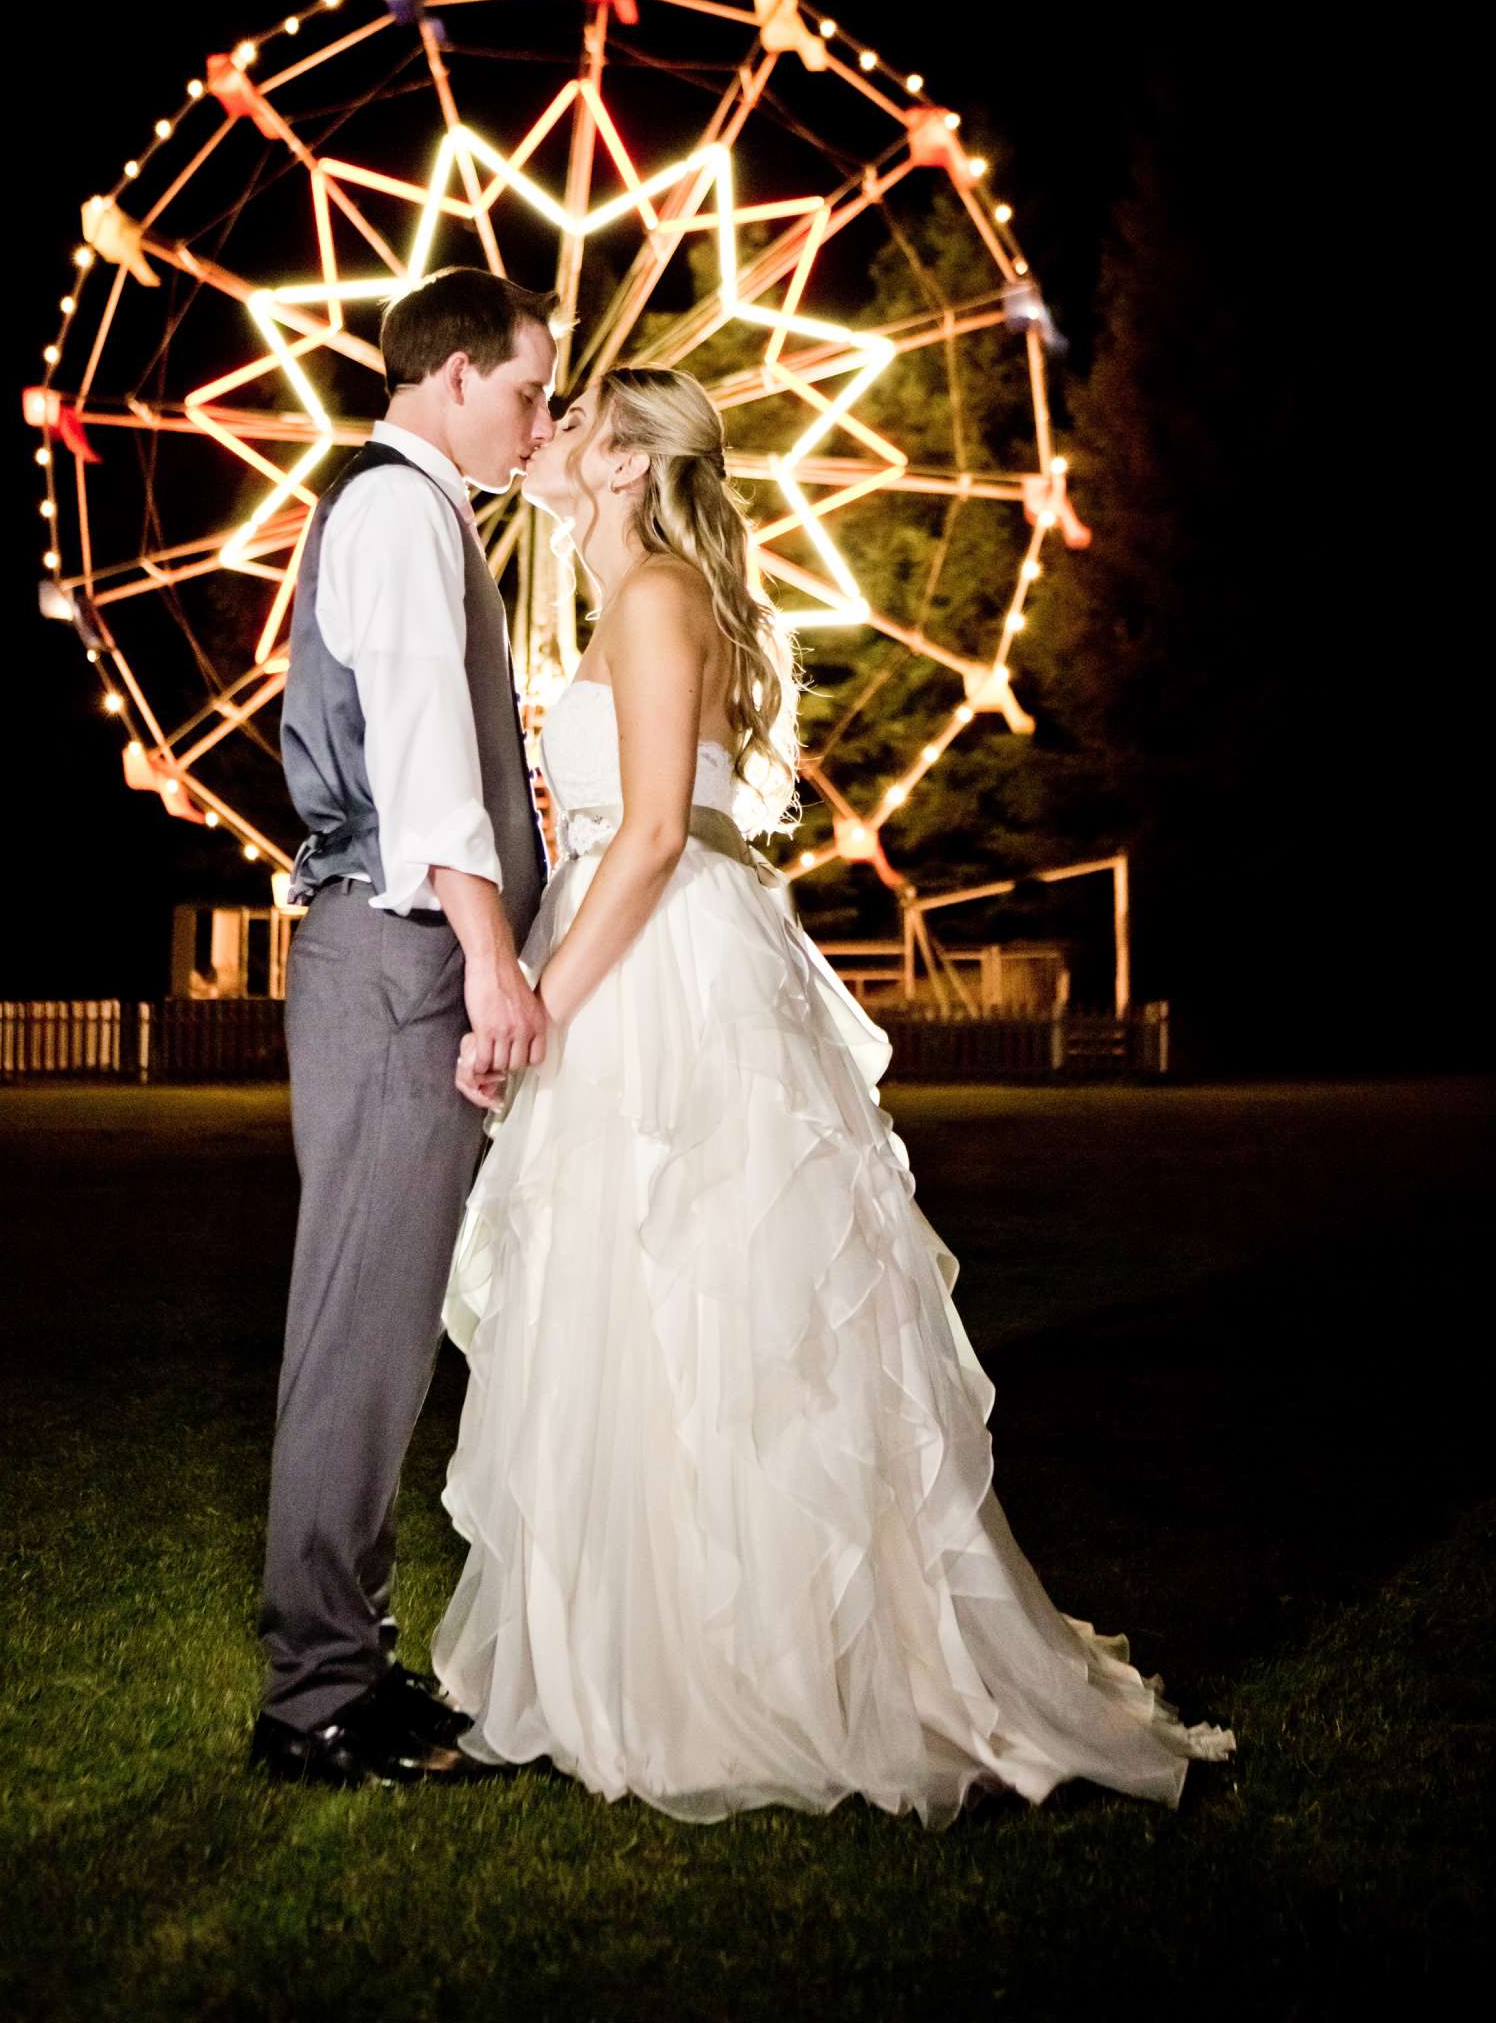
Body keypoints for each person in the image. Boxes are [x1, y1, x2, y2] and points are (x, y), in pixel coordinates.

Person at [432, 365, 1235, 1825]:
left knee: (713, 1294)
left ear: (624, 468)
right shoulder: (633, 594)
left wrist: (549, 996)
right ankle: (653, 1632)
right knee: (638, 1299)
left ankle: (746, 1656)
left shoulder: (661, 598)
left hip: (667, 970)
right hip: (646, 950)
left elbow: (663, 830)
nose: (543, 437)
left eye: (572, 423)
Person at [250, 268, 559, 1789]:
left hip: (400, 944)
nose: (539, 421)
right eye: (526, 392)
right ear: (451, 379)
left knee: (379, 1331)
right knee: (358, 1329)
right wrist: (492, 951)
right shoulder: (399, 511)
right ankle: (315, 1696)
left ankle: (351, 1664)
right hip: (406, 948)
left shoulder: (414, 510)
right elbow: (429, 750)